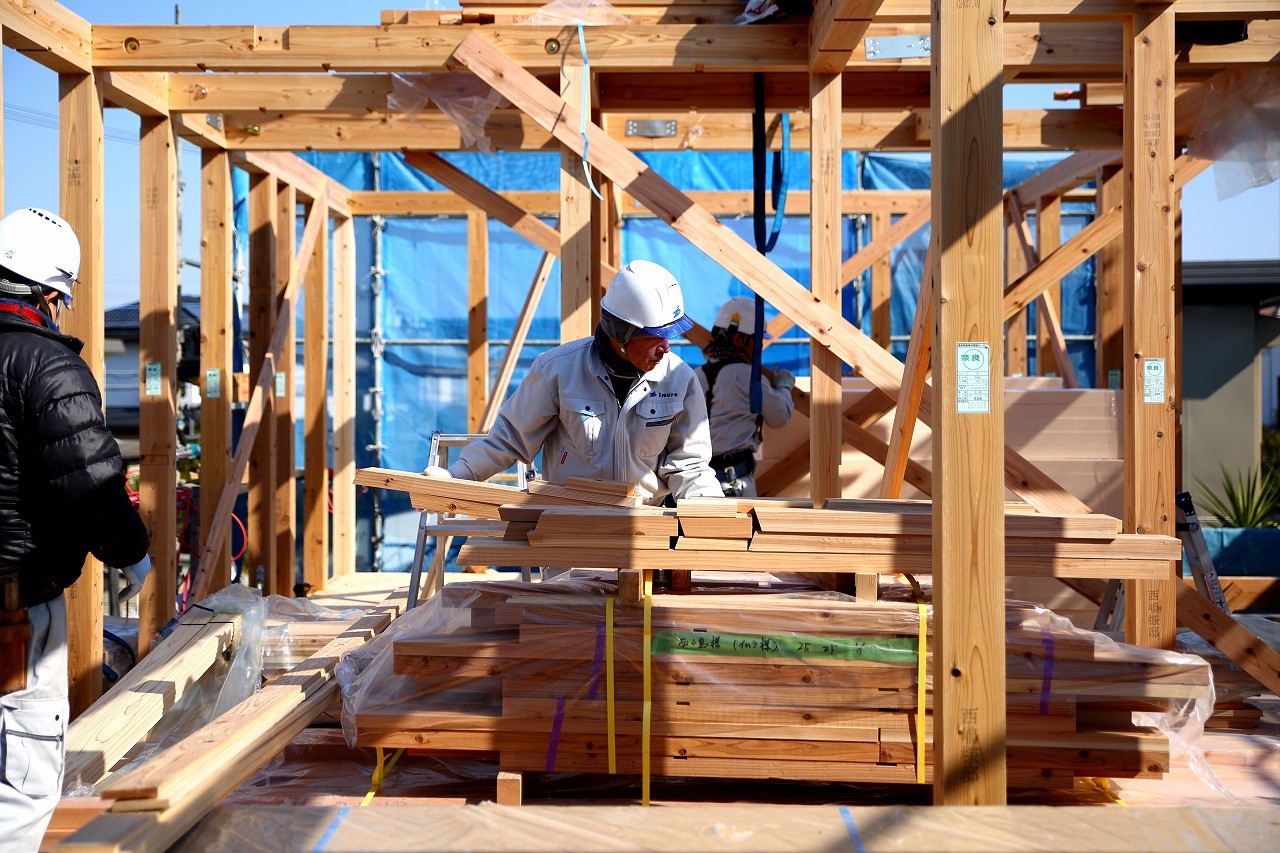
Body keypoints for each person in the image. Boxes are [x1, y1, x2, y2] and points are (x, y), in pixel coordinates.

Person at [0, 208, 151, 850]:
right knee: (25, 785)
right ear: (52, 294)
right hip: (16, 609)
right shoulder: (49, 367)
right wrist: (138, 561)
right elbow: (92, 486)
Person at [427, 260, 722, 504]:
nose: (666, 347)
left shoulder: (679, 379)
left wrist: (713, 517)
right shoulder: (558, 370)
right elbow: (509, 439)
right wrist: (455, 477)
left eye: (668, 336)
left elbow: (691, 465)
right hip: (570, 531)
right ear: (621, 334)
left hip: (644, 531)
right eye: (655, 337)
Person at [695, 296, 795, 497]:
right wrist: (784, 387)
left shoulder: (697, 375)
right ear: (740, 340)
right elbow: (779, 416)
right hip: (734, 482)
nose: (759, 349)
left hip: (699, 482)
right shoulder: (746, 376)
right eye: (757, 342)